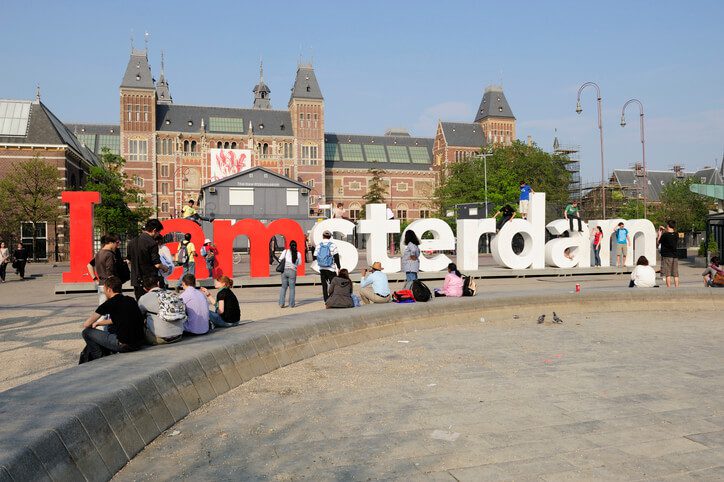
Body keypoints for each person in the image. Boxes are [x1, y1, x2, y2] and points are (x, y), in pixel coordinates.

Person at [80, 276, 146, 362]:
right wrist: (99, 323)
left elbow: (86, 324)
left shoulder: (109, 303)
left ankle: (99, 358)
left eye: (104, 289)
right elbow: (120, 319)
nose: (104, 292)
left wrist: (91, 324)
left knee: (86, 332)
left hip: (124, 344)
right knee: (110, 330)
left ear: (109, 289)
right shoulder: (131, 300)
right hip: (138, 343)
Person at [128, 219, 169, 300]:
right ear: (154, 230)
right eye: (158, 232)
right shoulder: (152, 243)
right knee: (150, 304)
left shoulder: (132, 242)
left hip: (136, 279)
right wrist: (164, 267)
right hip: (150, 281)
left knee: (140, 303)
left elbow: (129, 259)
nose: (158, 235)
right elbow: (156, 264)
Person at [137, 275, 184, 345]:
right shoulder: (172, 294)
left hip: (160, 339)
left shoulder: (144, 298)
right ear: (158, 283)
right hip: (179, 335)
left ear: (144, 288)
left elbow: (138, 316)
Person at [86, 234, 119, 304]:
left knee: (103, 308)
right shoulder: (109, 254)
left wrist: (95, 279)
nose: (118, 245)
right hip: (110, 285)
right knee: (115, 308)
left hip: (101, 284)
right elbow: (110, 272)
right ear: (111, 242)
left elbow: (89, 265)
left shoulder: (98, 253)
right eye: (117, 242)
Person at [315, 231, 341, 302]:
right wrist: (338, 267)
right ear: (330, 237)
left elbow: (315, 255)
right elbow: (336, 257)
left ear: (322, 236)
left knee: (324, 285)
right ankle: (332, 297)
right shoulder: (332, 245)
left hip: (322, 268)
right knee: (333, 284)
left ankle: (326, 299)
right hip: (331, 268)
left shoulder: (319, 245)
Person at [278, 240, 302, 308]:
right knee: (292, 288)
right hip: (292, 271)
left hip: (284, 271)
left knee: (283, 287)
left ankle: (281, 304)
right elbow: (299, 263)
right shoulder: (298, 254)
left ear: (289, 246)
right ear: (296, 246)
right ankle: (291, 304)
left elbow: (280, 260)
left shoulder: (285, 251)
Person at [657, 220, 679, 288]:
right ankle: (677, 287)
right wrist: (664, 229)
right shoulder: (676, 234)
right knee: (675, 274)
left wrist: (659, 234)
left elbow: (658, 242)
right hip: (675, 256)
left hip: (667, 256)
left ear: (668, 225)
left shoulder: (665, 235)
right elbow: (670, 233)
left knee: (668, 274)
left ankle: (669, 288)